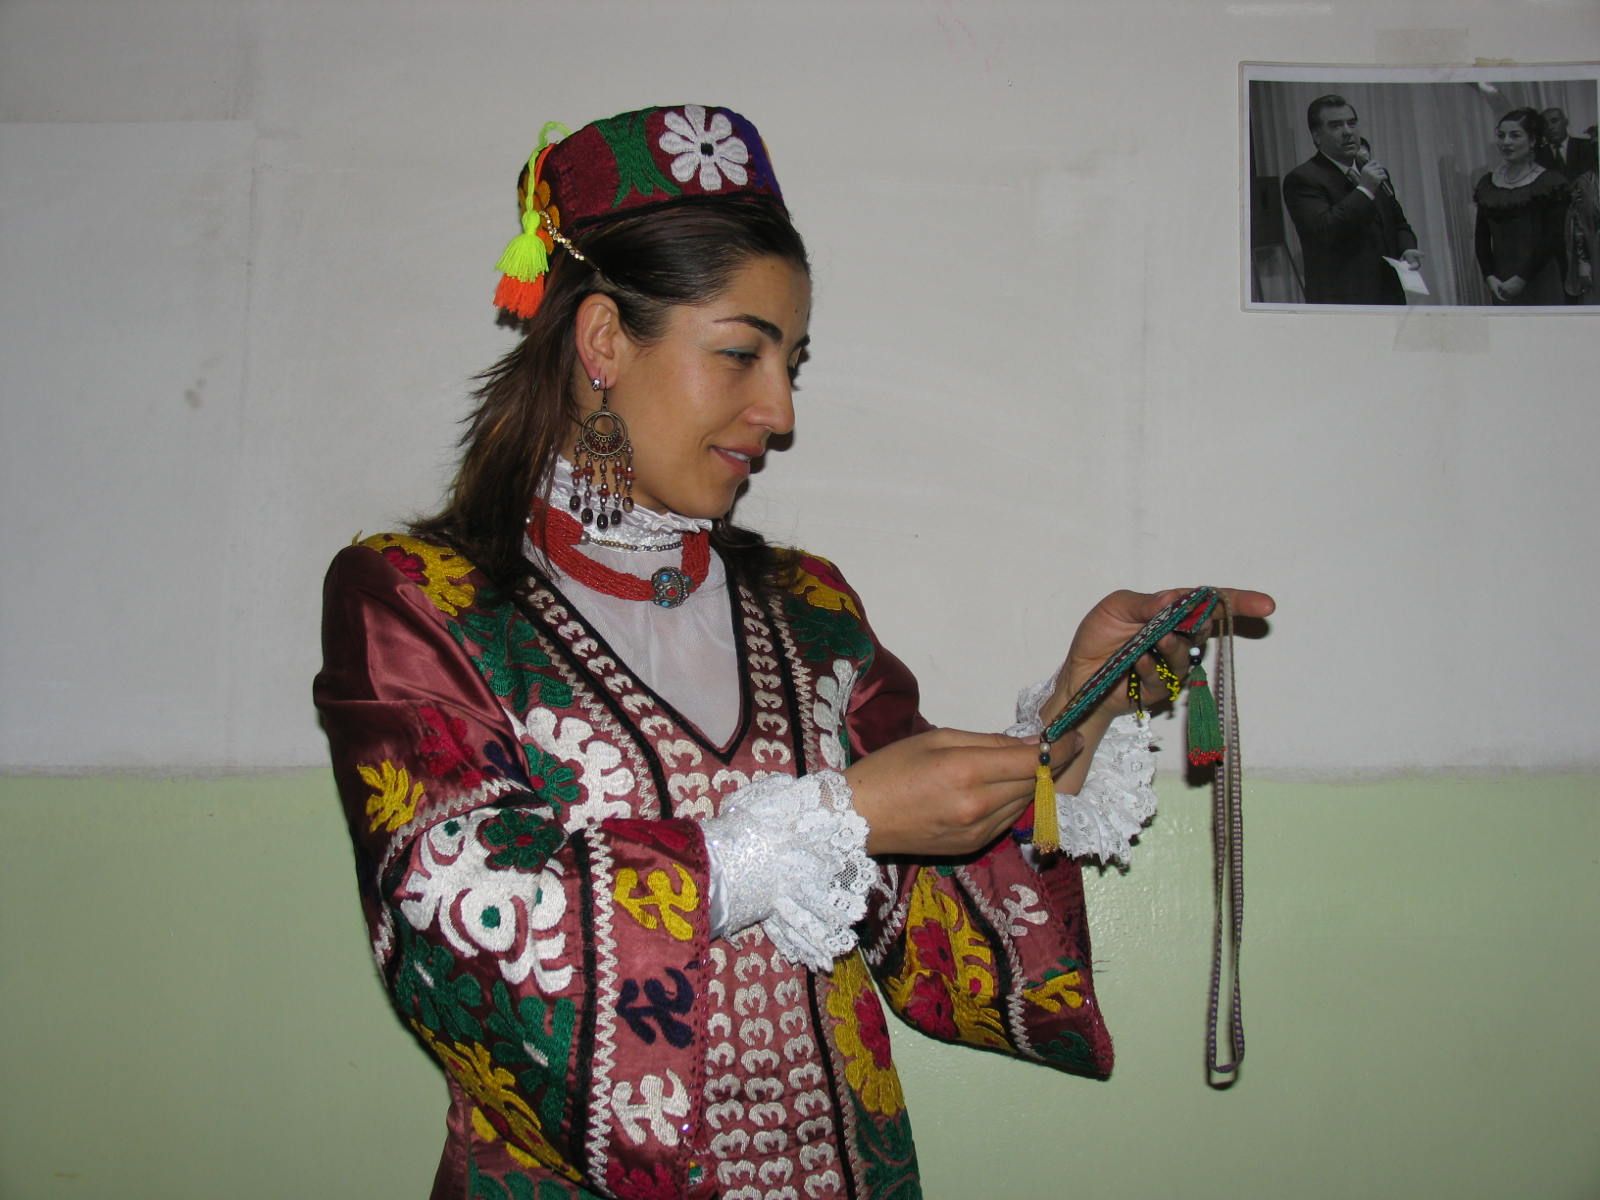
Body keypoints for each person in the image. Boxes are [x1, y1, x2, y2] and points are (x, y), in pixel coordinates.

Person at [314, 104, 1274, 1199]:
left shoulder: (807, 608)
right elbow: (454, 915)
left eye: (792, 363)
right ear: (602, 342)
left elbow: (933, 903)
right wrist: (825, 823)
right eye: (741, 353)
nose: (777, 410)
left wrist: (1081, 701)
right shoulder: (421, 601)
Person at [1281, 94, 1421, 305]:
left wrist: (1407, 248)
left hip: (1389, 293)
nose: (1348, 131)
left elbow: (1398, 223)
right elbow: (1324, 231)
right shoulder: (1302, 179)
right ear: (1317, 136)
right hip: (1343, 298)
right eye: (1336, 126)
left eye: (1352, 123)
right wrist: (1364, 190)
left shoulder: (1373, 172)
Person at [1474, 108, 1570, 306]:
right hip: (1501, 283)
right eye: (1501, 136)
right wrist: (1489, 276)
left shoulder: (1550, 183)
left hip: (1540, 279)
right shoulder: (1487, 184)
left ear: (1533, 140)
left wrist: (1521, 279)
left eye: (1515, 135)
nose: (1506, 142)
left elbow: (1553, 238)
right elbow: (1481, 237)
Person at [1537, 107, 1598, 178]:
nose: (1550, 127)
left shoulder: (1587, 146)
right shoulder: (1538, 156)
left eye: (1554, 121)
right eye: (1545, 124)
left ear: (1566, 122)